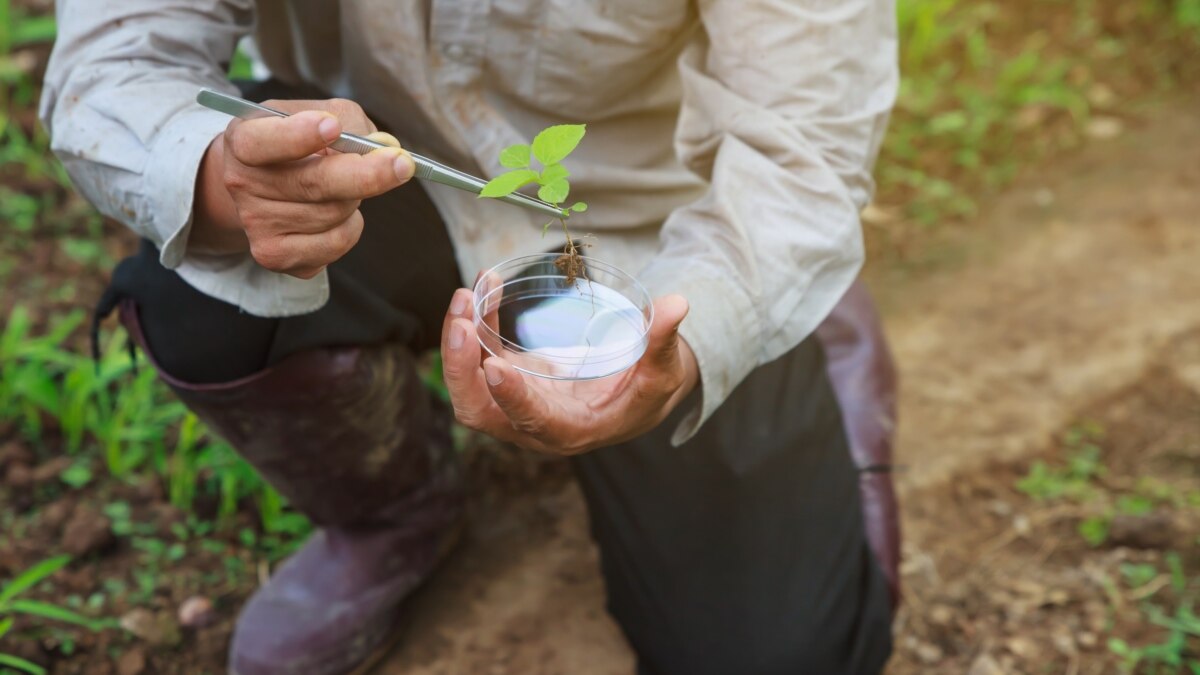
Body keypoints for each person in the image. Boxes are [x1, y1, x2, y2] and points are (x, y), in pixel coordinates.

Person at [41, 1, 901, 673]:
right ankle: (394, 514)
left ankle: (808, 313)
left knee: (768, 657)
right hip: (381, 165)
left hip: (658, 227)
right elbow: (116, 60)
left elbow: (804, 149)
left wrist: (710, 320)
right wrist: (225, 182)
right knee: (202, 290)